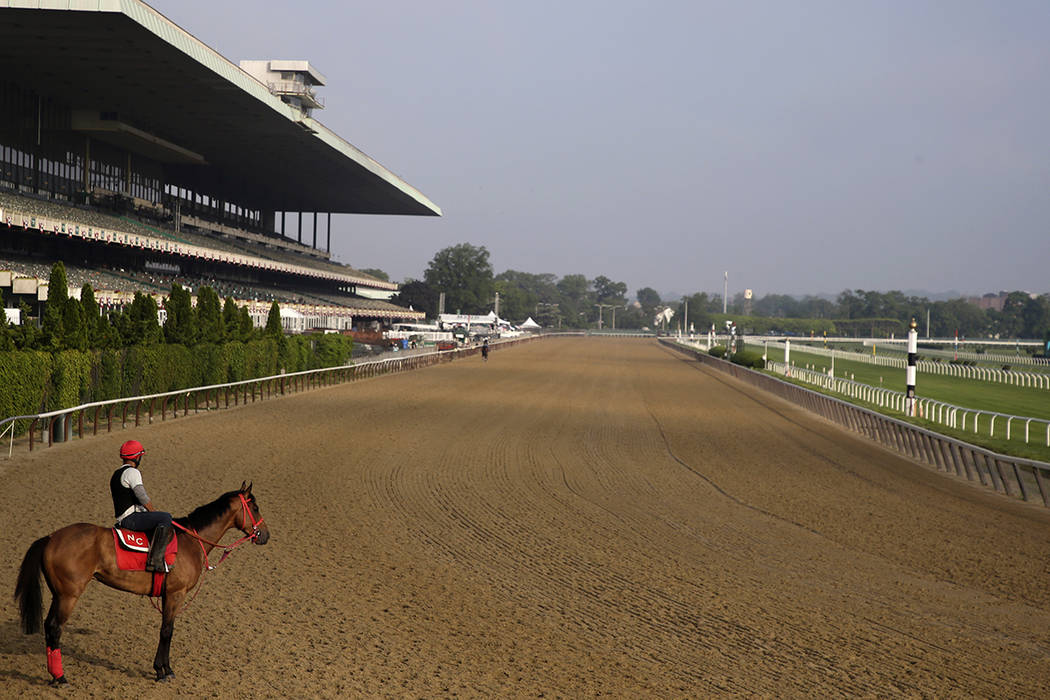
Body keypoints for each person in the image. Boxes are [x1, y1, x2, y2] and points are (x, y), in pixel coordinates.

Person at [111, 440, 173, 573]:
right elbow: (142, 496)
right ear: (137, 457)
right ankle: (155, 560)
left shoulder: (116, 474)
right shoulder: (132, 472)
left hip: (122, 517)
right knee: (165, 518)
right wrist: (153, 512)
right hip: (130, 518)